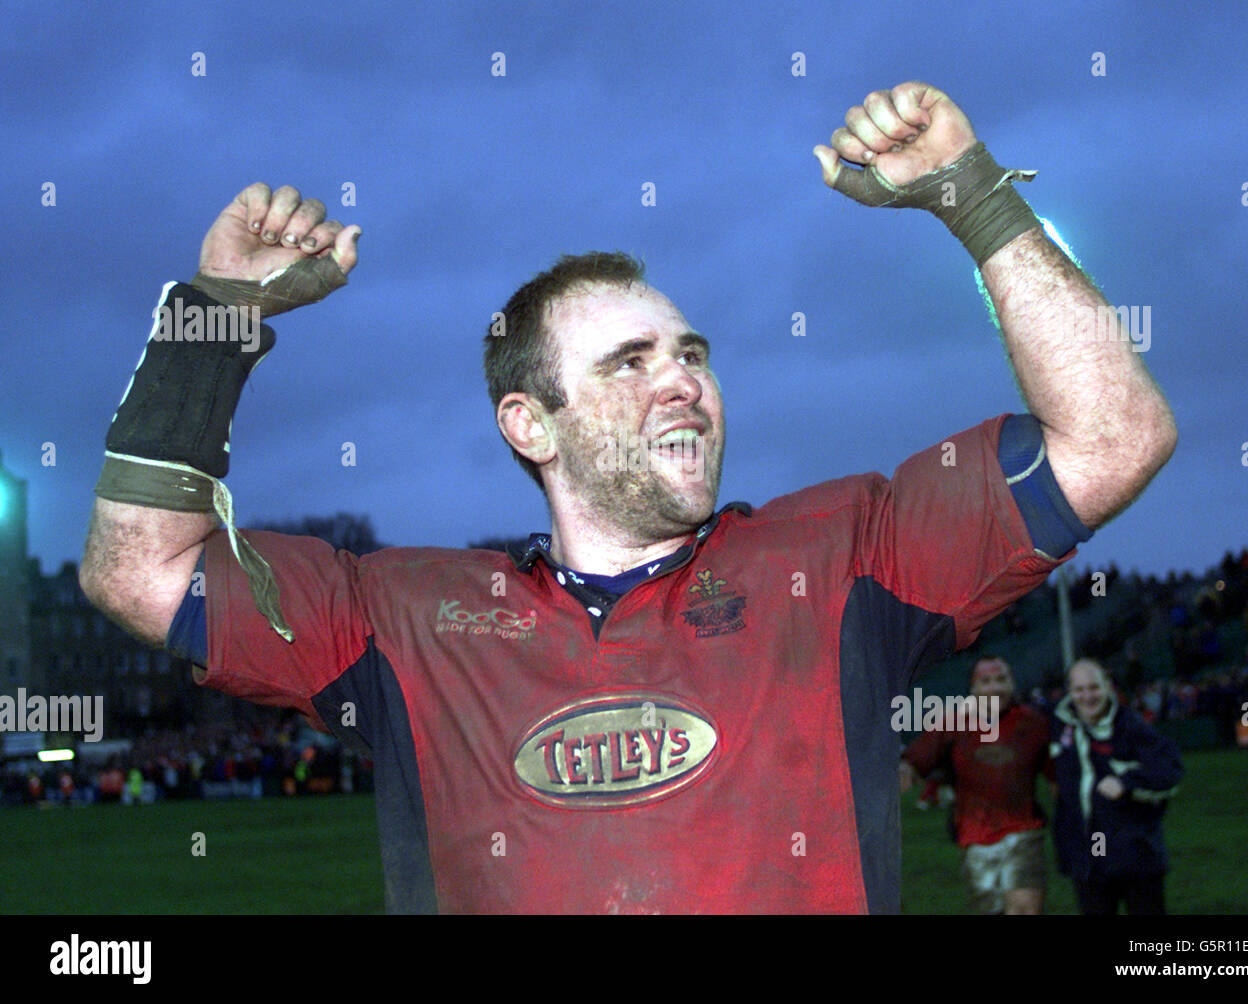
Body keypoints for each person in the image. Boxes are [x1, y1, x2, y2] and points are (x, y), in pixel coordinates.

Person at [79, 81, 1177, 913]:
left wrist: (969, 193)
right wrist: (218, 313)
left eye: (691, 351)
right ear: (529, 424)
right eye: (629, 360)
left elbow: (1114, 435)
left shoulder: (842, 557)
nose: (684, 377)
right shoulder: (406, 619)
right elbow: (140, 566)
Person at [900, 656, 1052, 914]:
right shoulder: (953, 723)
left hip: (1024, 831)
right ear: (973, 688)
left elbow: (1059, 776)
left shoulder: (1033, 723)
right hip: (975, 837)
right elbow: (913, 761)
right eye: (986, 681)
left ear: (1012, 683)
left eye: (1001, 679)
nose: (995, 688)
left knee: (1024, 909)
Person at [1051, 658, 1183, 915]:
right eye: (1079, 689)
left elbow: (1170, 769)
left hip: (1136, 858)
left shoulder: (1130, 726)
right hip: (1088, 860)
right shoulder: (1059, 723)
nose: (1087, 696)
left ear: (1108, 687)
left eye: (1094, 687)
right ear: (1069, 692)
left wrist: (1126, 782)